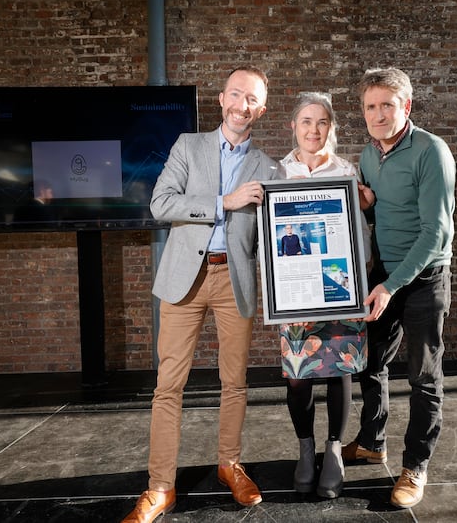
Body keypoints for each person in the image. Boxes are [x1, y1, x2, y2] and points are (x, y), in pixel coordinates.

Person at [121, 66, 280, 523]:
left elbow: (282, 231)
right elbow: (161, 203)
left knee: (235, 383)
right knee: (168, 386)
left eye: (251, 99)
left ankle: (229, 464)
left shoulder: (268, 168)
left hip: (236, 281)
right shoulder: (188, 146)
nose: (241, 105)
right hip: (184, 280)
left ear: (261, 109)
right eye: (235, 95)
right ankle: (160, 487)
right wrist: (222, 204)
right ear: (221, 98)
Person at [342, 68, 455, 509]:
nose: (378, 114)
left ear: (406, 106)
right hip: (385, 274)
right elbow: (382, 220)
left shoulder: (431, 151)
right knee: (369, 362)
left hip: (424, 278)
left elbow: (435, 235)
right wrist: (367, 210)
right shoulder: (369, 156)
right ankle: (372, 441)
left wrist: (389, 285)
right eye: (370, 107)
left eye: (387, 105)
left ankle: (415, 466)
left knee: (424, 376)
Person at [278, 92, 371, 499]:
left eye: (322, 123)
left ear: (331, 128)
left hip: (340, 286)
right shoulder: (276, 173)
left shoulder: (347, 170)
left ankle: (334, 448)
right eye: (306, 122)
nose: (314, 130)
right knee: (299, 375)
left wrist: (364, 205)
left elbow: (361, 233)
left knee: (339, 369)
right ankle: (305, 447)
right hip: (295, 291)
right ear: (293, 127)